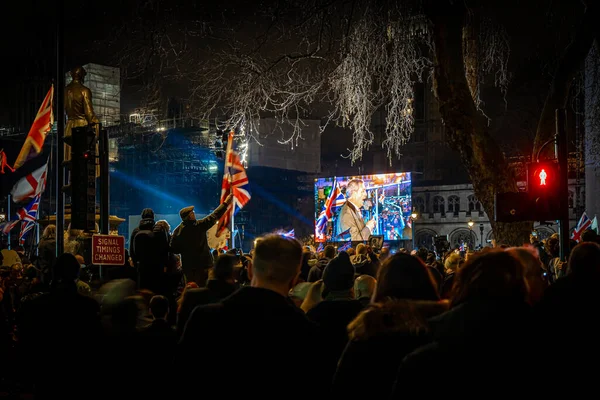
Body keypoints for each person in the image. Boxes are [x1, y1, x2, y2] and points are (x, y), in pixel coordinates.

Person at [170, 194, 233, 286]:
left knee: (191, 288)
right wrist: (226, 203)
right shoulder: (199, 226)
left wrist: (185, 251)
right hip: (203, 264)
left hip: (188, 267)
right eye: (192, 212)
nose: (194, 213)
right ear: (190, 216)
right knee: (204, 288)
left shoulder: (177, 231)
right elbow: (214, 215)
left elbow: (173, 248)